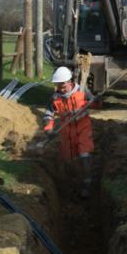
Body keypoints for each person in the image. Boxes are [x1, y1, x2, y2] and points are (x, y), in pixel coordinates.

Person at [43, 66, 95, 197]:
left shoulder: (82, 91)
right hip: (66, 134)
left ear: (69, 82)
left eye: (63, 85)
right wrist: (48, 130)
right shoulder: (54, 98)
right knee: (69, 161)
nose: (61, 88)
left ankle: (87, 185)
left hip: (83, 129)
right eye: (58, 85)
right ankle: (71, 188)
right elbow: (48, 115)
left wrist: (95, 100)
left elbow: (96, 104)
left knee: (84, 155)